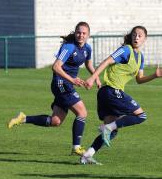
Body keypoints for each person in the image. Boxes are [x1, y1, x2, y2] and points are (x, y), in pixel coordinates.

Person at [80, 25, 162, 165]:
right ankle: (107, 128)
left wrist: (155, 75)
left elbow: (139, 80)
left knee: (112, 131)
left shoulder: (140, 57)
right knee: (141, 116)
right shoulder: (125, 50)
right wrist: (93, 78)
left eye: (140, 35)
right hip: (111, 90)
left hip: (108, 94)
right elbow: (107, 61)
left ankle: (87, 155)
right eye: (134, 34)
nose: (136, 37)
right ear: (131, 36)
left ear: (145, 39)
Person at [7, 21, 101, 156]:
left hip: (66, 84)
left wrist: (96, 77)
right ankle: (76, 147)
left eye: (83, 33)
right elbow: (56, 67)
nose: (80, 35)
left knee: (55, 121)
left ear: (88, 35)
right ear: (75, 32)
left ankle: (23, 118)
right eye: (78, 32)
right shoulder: (69, 47)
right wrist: (72, 80)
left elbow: (88, 64)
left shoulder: (87, 49)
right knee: (82, 113)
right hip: (61, 83)